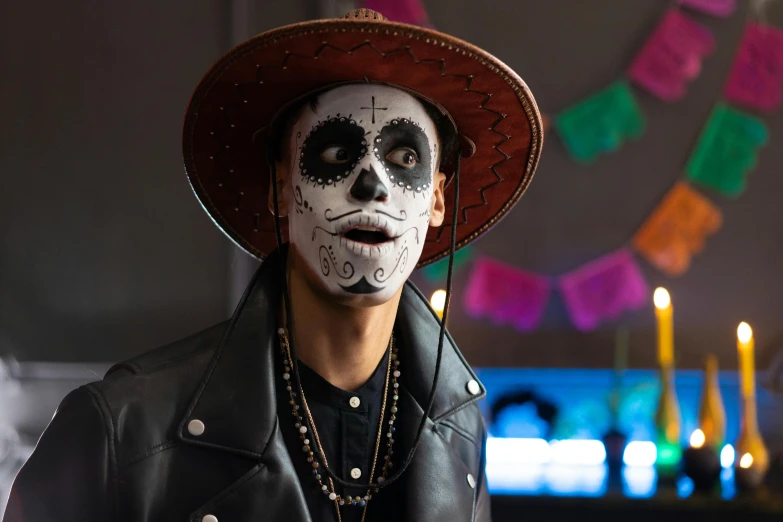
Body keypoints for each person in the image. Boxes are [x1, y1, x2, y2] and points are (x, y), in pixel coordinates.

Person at [3, 8, 542, 522]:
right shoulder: (121, 431)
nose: (373, 185)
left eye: (404, 159)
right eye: (335, 155)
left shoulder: (458, 429)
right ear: (281, 187)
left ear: (438, 201)